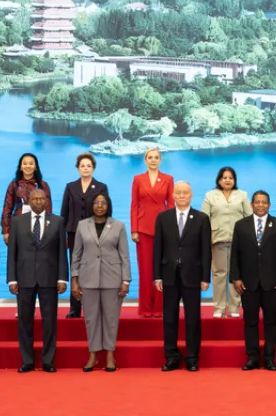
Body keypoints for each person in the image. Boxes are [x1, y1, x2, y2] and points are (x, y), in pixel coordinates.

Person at [7, 187, 68, 373]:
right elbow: (12, 254)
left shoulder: (57, 221)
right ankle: (27, 360)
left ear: (47, 202)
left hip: (49, 278)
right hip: (24, 278)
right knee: (25, 321)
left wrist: (62, 278)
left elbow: (61, 252)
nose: (39, 202)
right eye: (35, 199)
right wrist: (12, 280)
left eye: (42, 199)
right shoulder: (17, 222)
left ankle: (48, 360)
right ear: (29, 201)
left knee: (50, 321)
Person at [229, 190, 276, 370]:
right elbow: (235, 254)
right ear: (252, 204)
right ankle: (252, 357)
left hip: (272, 283)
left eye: (264, 202)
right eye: (257, 202)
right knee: (250, 322)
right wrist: (236, 278)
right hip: (248, 283)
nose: (261, 205)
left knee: (271, 321)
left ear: (270, 205)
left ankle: (270, 358)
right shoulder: (241, 225)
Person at [154, 181, 211, 372]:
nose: (182, 195)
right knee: (169, 318)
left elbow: (205, 250)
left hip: (193, 275)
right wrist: (157, 276)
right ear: (173, 195)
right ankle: (171, 357)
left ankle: (192, 357)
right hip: (168, 275)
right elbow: (158, 249)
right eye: (178, 192)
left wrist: (205, 277)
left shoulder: (201, 218)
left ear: (191, 195)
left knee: (192, 318)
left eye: (185, 192)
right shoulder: (163, 218)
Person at [71, 193, 131, 372]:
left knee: (111, 319)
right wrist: (74, 279)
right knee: (91, 319)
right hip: (87, 278)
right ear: (91, 205)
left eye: (103, 203)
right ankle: (93, 354)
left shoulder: (118, 226)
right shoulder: (82, 225)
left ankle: (110, 353)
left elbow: (124, 255)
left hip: (112, 278)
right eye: (96, 202)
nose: (99, 205)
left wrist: (125, 280)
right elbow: (76, 254)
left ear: (108, 205)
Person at [60, 152, 109, 318]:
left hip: (94, 234)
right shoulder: (70, 187)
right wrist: (63, 235)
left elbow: (107, 211)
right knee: (76, 269)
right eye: (82, 166)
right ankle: (75, 308)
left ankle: (93, 307)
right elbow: (64, 212)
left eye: (88, 166)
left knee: (93, 269)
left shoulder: (101, 187)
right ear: (78, 168)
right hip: (73, 233)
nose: (85, 168)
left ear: (93, 168)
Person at [201, 167, 253, 319]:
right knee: (219, 275)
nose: (227, 180)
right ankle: (219, 307)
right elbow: (204, 219)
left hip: (239, 241)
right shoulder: (210, 196)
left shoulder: (242, 195)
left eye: (230, 177)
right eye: (224, 177)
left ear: (234, 180)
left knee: (236, 275)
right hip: (218, 240)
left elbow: (249, 217)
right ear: (219, 180)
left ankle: (234, 307)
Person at [130, 148, 173, 318]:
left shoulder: (168, 179)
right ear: (145, 160)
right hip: (143, 229)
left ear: (160, 160)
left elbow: (170, 205)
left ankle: (159, 308)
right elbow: (134, 205)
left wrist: (171, 230)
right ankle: (146, 308)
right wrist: (134, 229)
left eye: (156, 157)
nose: (153, 160)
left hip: (163, 229)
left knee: (162, 269)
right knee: (146, 269)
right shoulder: (137, 179)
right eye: (150, 157)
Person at [1, 153, 51, 246]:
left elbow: (48, 209)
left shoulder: (43, 185)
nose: (28, 166)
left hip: (38, 223)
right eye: (25, 163)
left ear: (36, 167)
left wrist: (47, 228)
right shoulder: (14, 185)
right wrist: (6, 230)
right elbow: (7, 208)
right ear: (20, 167)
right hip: (18, 224)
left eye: (31, 163)